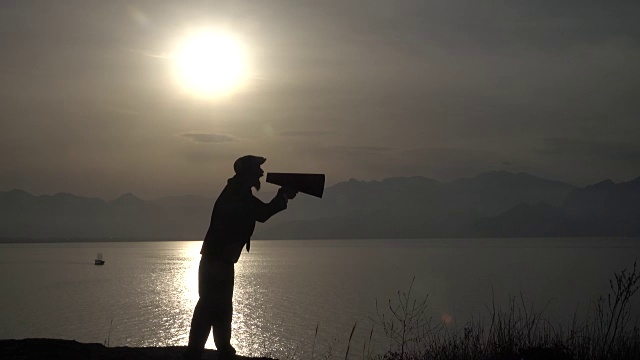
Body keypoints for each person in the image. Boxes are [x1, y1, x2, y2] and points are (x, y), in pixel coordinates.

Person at [184, 155, 297, 360]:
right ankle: (201, 352)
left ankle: (217, 350)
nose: (261, 173)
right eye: (257, 169)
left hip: (220, 259)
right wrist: (282, 196)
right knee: (212, 306)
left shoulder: (237, 191)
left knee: (218, 306)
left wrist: (283, 196)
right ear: (247, 172)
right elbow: (261, 213)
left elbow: (259, 213)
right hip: (218, 260)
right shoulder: (238, 194)